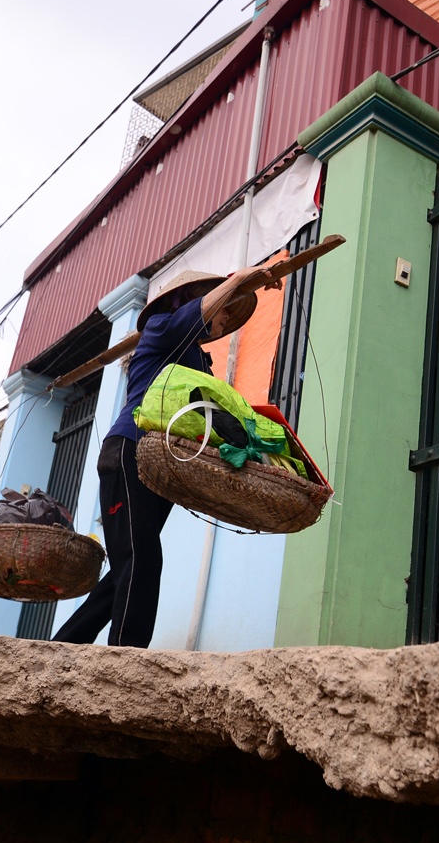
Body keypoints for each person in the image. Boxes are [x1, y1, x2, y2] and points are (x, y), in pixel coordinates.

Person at [52, 259, 280, 648]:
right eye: (224, 309)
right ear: (194, 301)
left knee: (129, 562)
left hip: (159, 467)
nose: (225, 320)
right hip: (128, 451)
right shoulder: (161, 330)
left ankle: (64, 645)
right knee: (142, 558)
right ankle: (126, 660)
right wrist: (240, 281)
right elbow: (191, 317)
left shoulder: (195, 356)